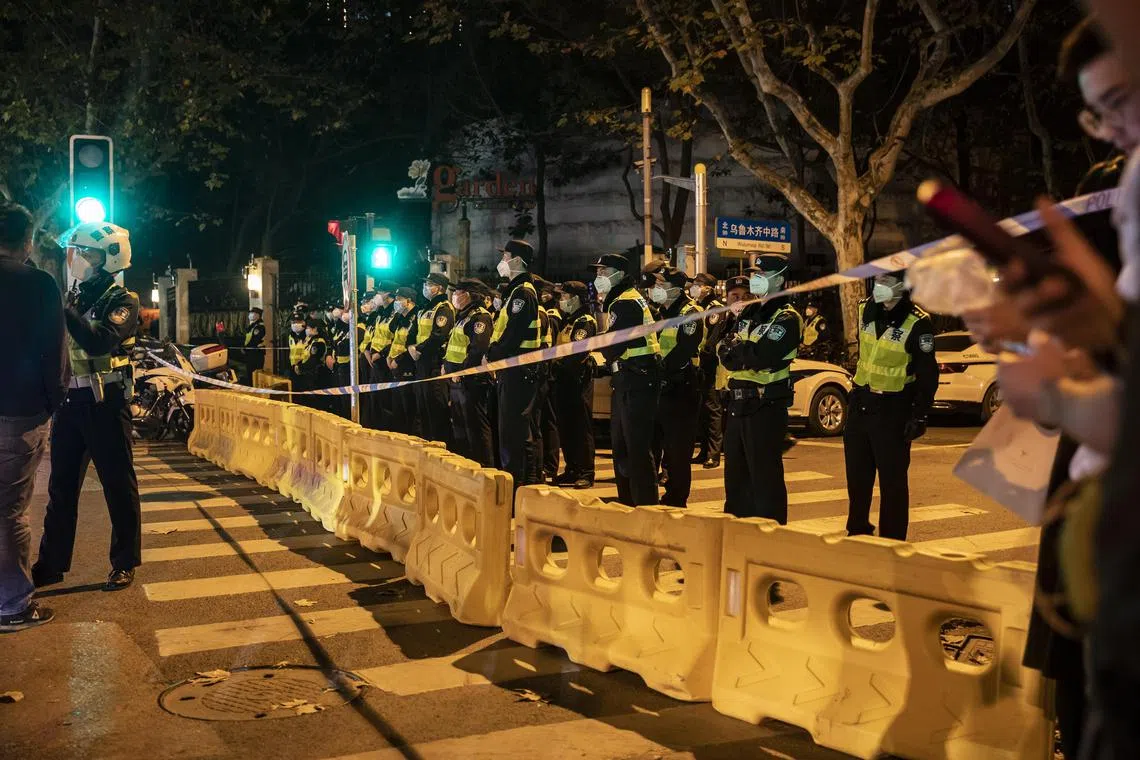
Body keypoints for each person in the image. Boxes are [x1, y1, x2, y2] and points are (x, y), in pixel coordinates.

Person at [32, 220, 142, 592]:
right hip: (70, 402)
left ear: (111, 257)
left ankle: (124, 561)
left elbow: (99, 341)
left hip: (105, 403)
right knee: (60, 488)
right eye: (77, 252)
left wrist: (64, 311)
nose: (78, 259)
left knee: (117, 485)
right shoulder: (76, 296)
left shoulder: (123, 300)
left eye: (87, 253)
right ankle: (50, 564)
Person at [0, 202, 68, 632]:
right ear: (27, 241)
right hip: (18, 411)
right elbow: (54, 353)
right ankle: (12, 605)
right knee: (10, 511)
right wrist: (52, 402)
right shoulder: (39, 284)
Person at [842, 272, 937, 541]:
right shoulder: (865, 309)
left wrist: (919, 415)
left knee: (892, 482)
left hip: (893, 408)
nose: (880, 287)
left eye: (888, 282)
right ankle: (857, 531)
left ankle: (893, 542)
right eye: (879, 281)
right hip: (860, 404)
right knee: (857, 478)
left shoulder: (918, 323)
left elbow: (927, 374)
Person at [717, 254, 801, 522]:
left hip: (765, 406)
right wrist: (741, 352)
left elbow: (763, 355)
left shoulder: (786, 317)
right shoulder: (749, 312)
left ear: (779, 280)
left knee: (765, 480)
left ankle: (770, 539)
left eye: (761, 276)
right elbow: (722, 349)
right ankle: (739, 539)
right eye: (754, 275)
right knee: (736, 479)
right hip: (738, 405)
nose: (755, 280)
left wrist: (740, 351)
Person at [591, 252, 661, 506]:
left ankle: (645, 506)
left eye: (603, 271)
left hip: (637, 380)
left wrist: (595, 347)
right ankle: (628, 503)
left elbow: (614, 344)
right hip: (628, 379)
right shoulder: (620, 300)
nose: (598, 276)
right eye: (597, 272)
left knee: (636, 448)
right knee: (622, 448)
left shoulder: (626, 302)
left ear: (618, 274)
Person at [486, 239, 543, 489]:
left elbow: (512, 335)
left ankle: (518, 488)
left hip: (519, 371)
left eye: (506, 256)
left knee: (514, 434)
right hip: (513, 370)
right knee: (514, 432)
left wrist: (492, 354)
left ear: (518, 261)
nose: (502, 261)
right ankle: (521, 484)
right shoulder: (516, 292)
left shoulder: (524, 293)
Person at [650, 265, 703, 507]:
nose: (656, 289)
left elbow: (684, 350)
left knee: (678, 449)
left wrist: (660, 368)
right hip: (660, 388)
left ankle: (677, 496)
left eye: (661, 284)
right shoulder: (661, 313)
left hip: (682, 388)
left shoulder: (690, 313)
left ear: (675, 288)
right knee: (656, 444)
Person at [552, 281, 598, 489]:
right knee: (566, 426)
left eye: (565, 296)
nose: (562, 300)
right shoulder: (568, 320)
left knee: (581, 427)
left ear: (576, 298)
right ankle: (572, 469)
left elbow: (577, 352)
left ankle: (586, 472)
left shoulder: (585, 322)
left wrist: (557, 364)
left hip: (578, 379)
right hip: (563, 380)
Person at [444, 278, 495, 466]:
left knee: (476, 427)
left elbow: (477, 349)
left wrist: (463, 371)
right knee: (460, 426)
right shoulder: (463, 316)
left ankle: (484, 468)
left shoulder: (479, 317)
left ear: (470, 295)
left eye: (458, 292)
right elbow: (454, 345)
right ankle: (466, 466)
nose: (454, 296)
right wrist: (446, 364)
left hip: (471, 380)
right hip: (457, 381)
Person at [409, 273, 455, 443]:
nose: (425, 287)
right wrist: (411, 347)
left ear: (439, 288)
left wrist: (419, 350)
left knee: (436, 409)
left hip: (434, 363)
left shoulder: (443, 308)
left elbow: (438, 335)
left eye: (429, 284)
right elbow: (413, 332)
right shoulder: (424, 309)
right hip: (421, 364)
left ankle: (442, 447)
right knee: (423, 407)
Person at [690, 272, 725, 468]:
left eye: (698, 284)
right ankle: (703, 451)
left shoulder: (716, 309)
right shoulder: (697, 308)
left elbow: (712, 340)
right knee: (701, 410)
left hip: (710, 365)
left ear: (708, 288)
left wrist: (702, 358)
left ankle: (713, 453)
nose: (695, 287)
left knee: (712, 409)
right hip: (697, 366)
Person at [535, 277, 561, 482]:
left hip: (546, 375)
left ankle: (549, 465)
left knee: (546, 423)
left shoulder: (549, 316)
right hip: (545, 374)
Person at [386, 287, 420, 437]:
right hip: (395, 366)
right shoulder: (401, 318)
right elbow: (396, 340)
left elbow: (411, 345)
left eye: (399, 299)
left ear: (409, 301)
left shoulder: (415, 318)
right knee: (397, 407)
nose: (396, 302)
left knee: (408, 408)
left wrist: (399, 361)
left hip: (407, 366)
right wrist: (390, 356)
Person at [240, 307, 266, 385]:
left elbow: (254, 340)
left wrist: (245, 348)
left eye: (252, 313)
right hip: (250, 353)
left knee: (255, 375)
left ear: (258, 315)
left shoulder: (259, 327)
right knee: (250, 374)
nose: (250, 315)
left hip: (256, 354)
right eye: (250, 313)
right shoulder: (252, 326)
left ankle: (255, 390)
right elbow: (247, 339)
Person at [287, 312, 308, 401]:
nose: (295, 324)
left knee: (305, 396)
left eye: (298, 321)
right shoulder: (291, 336)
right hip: (293, 369)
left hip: (304, 370)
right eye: (293, 322)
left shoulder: (307, 336)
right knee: (294, 396)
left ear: (303, 323)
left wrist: (300, 366)